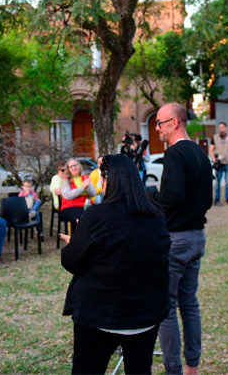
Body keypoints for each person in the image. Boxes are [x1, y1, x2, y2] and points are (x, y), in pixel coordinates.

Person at [60, 154, 171, 375]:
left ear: (111, 179)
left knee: (87, 369)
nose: (100, 183)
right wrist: (84, 241)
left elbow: (71, 261)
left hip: (102, 314)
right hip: (146, 315)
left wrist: (77, 241)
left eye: (102, 177)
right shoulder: (156, 215)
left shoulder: (96, 215)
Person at [149, 103, 213, 375]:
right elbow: (208, 200)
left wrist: (149, 196)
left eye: (161, 122)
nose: (157, 128)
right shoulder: (200, 153)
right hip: (197, 238)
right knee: (189, 303)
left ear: (174, 123)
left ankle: (174, 370)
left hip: (176, 240)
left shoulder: (175, 153)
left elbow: (172, 197)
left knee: (166, 307)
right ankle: (192, 367)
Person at [60, 158, 97, 227]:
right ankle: (78, 237)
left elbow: (93, 193)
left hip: (85, 205)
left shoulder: (86, 178)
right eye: (71, 166)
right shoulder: (66, 180)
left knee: (98, 214)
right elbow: (68, 195)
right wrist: (82, 188)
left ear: (79, 166)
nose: (74, 168)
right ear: (68, 169)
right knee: (82, 217)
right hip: (70, 206)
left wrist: (87, 187)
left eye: (75, 165)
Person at [209, 122, 228, 206]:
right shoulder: (215, 138)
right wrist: (214, 159)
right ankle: (217, 199)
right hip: (219, 164)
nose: (220, 129)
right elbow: (211, 149)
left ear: (226, 128)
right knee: (217, 183)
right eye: (219, 127)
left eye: (222, 127)